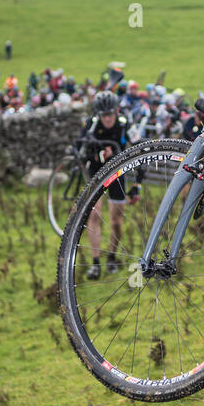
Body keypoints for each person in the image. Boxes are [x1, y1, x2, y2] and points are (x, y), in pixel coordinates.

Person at [84, 91, 132, 280]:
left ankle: (111, 256)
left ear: (117, 111)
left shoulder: (123, 124)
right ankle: (95, 263)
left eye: (110, 113)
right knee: (94, 215)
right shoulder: (92, 124)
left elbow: (137, 149)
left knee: (116, 220)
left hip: (117, 173)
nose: (107, 118)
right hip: (96, 171)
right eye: (104, 115)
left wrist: (136, 186)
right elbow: (81, 150)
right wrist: (97, 154)